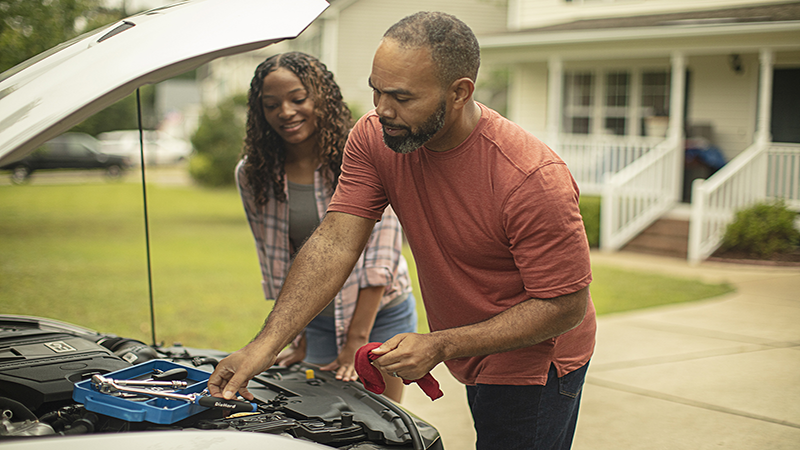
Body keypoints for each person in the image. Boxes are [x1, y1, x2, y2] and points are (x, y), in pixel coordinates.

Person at [211, 13, 596, 449]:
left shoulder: (530, 177)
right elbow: (335, 240)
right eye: (376, 89)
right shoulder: (375, 137)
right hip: (472, 345)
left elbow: (565, 305)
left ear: (459, 92)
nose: (381, 108)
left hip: (537, 361)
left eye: (401, 97)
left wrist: (441, 344)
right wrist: (264, 344)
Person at [235, 51, 416, 403]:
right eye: (271, 104)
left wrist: (356, 341)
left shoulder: (366, 153)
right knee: (324, 418)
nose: (285, 112)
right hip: (313, 317)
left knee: (383, 419)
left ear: (322, 97)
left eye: (298, 98)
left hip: (380, 314)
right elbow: (275, 259)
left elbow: (382, 255)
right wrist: (293, 334)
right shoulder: (253, 174)